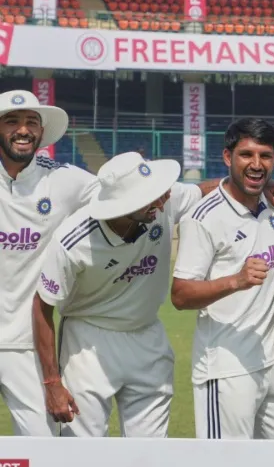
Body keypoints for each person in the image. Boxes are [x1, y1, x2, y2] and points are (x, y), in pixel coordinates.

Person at [32, 152, 206, 437]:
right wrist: (52, 383)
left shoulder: (164, 201)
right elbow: (42, 307)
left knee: (148, 456)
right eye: (151, 197)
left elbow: (210, 191)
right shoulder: (72, 241)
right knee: (82, 454)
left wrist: (271, 188)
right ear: (125, 204)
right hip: (87, 343)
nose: (163, 200)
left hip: (148, 336)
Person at [0, 90, 98, 436]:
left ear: (41, 132)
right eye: (12, 121)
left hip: (24, 343)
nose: (22, 129)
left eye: (31, 122)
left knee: (43, 447)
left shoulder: (63, 179)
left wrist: (233, 188)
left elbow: (129, 191)